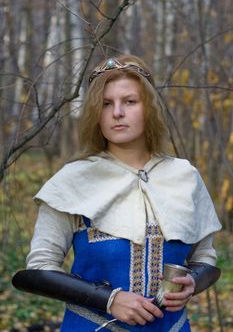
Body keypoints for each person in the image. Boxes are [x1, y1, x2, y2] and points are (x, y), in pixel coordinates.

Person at [12, 55, 222, 332]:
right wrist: (108, 300)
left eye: (130, 102)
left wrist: (192, 283)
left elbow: (205, 257)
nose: (117, 113)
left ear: (149, 108)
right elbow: (39, 268)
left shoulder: (185, 177)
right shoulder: (73, 180)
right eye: (106, 104)